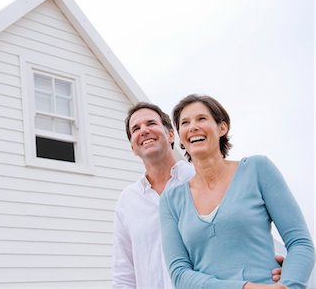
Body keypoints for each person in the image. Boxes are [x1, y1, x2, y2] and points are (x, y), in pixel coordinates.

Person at [113, 102, 284, 288]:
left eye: (151, 123)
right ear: (132, 148)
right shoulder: (127, 201)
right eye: (136, 128)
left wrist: (277, 264)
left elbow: (240, 228)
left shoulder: (199, 179)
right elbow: (124, 272)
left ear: (171, 135)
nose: (144, 130)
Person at [159, 94, 315, 289]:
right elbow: (180, 274)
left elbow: (300, 243)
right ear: (181, 136)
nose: (192, 127)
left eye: (201, 119)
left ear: (222, 128)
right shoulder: (171, 200)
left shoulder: (258, 169)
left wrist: (288, 285)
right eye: (185, 123)